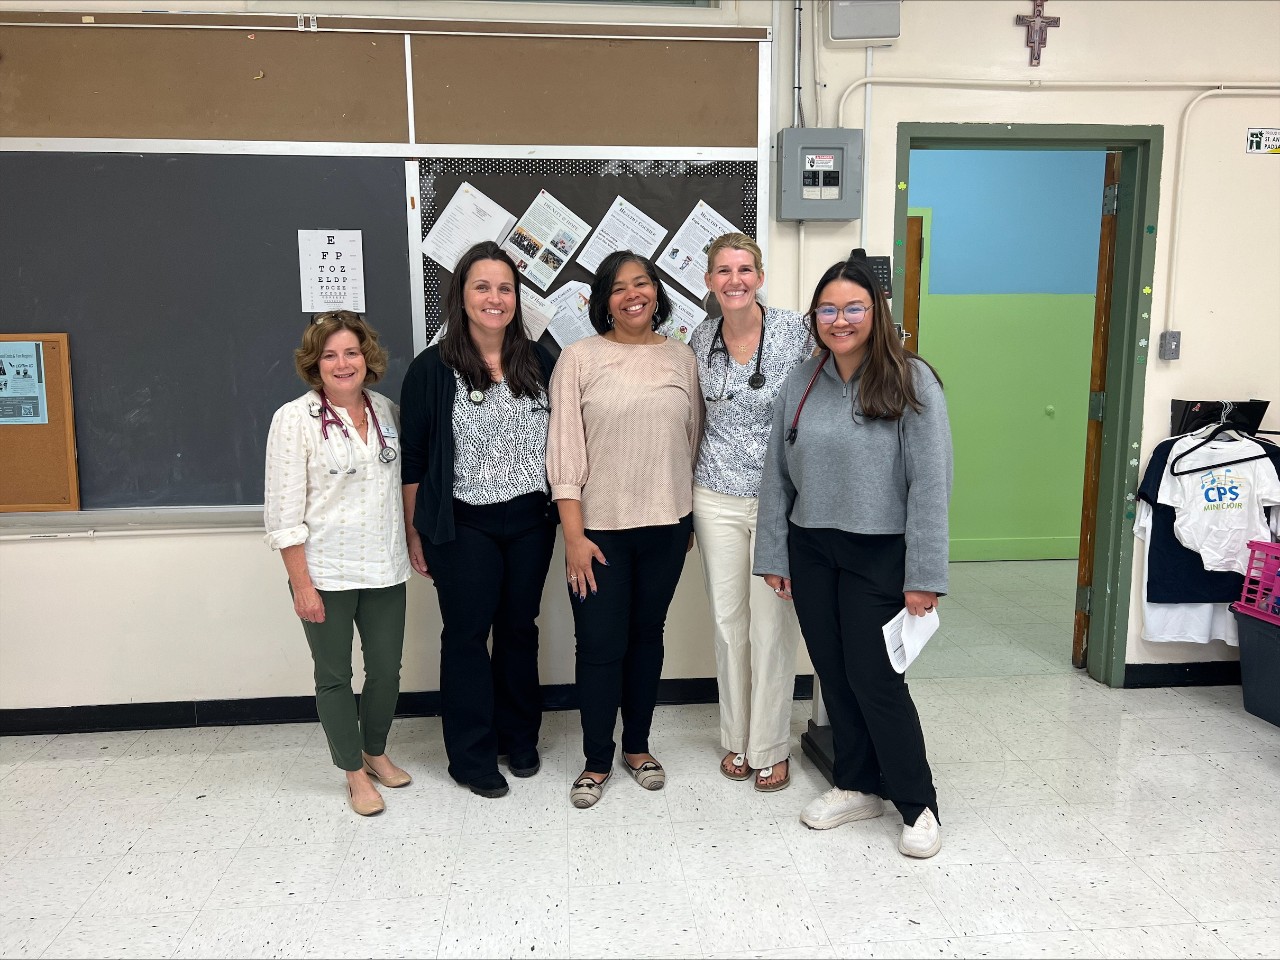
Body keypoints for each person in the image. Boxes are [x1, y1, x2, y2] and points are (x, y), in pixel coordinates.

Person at [754, 256, 952, 859]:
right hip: (813, 546)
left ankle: (919, 805)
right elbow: (776, 476)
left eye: (854, 308)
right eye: (828, 309)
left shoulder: (912, 380)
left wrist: (925, 575)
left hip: (879, 551)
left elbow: (932, 483)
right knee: (833, 672)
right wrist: (775, 554)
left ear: (876, 312)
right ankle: (858, 783)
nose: (840, 320)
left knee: (876, 677)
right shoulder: (802, 380)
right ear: (815, 317)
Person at [400, 241, 557, 799]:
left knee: (519, 631)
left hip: (531, 521)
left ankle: (519, 737)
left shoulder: (541, 360)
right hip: (462, 525)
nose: (495, 298)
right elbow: (414, 461)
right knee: (467, 635)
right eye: (482, 287)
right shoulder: (432, 369)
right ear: (462, 296)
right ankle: (469, 755)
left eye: (505, 288)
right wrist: (417, 531)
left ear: (517, 298)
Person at [548, 250, 703, 809]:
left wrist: (682, 514)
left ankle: (636, 747)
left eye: (642, 283)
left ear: (657, 293)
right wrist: (573, 535)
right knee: (598, 646)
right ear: (603, 301)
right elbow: (563, 452)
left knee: (646, 638)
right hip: (599, 533)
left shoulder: (683, 358)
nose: (632, 294)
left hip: (666, 527)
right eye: (618, 287)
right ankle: (595, 759)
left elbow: (691, 439)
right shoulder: (579, 358)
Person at [264, 310, 412, 817]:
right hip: (324, 571)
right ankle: (353, 772)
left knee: (387, 672)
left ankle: (374, 751)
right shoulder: (294, 420)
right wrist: (300, 584)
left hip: (385, 566)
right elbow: (283, 514)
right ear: (315, 363)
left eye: (351, 352)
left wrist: (413, 542)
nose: (342, 363)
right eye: (330, 355)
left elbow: (401, 491)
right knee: (334, 676)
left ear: (366, 357)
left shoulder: (389, 412)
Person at [687, 232, 814, 792]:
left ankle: (770, 744)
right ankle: (736, 738)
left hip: (776, 501)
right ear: (709, 281)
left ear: (759, 277)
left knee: (770, 626)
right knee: (727, 621)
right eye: (723, 271)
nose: (734, 280)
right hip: (713, 495)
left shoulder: (796, 332)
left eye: (744, 269)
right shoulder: (699, 337)